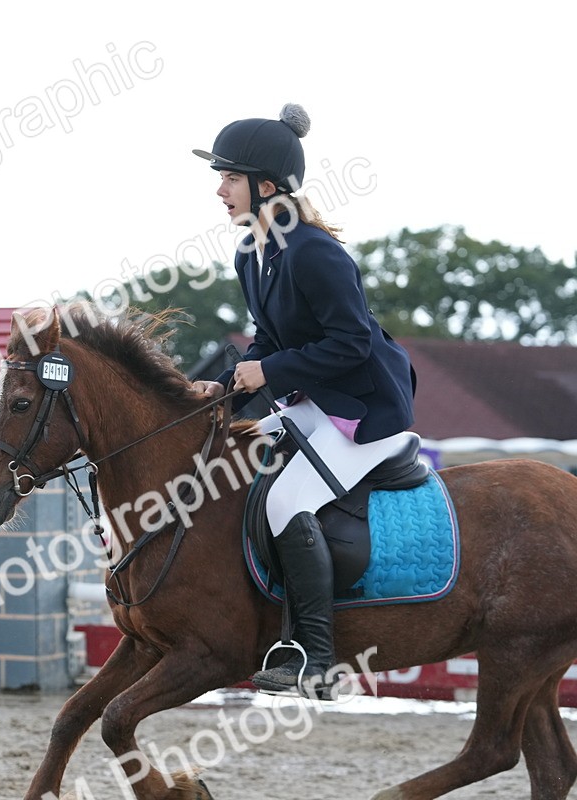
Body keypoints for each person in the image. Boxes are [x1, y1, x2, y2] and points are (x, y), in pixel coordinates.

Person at [189, 104, 417, 697]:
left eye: (229, 179)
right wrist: (226, 387)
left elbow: (352, 342)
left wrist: (268, 368)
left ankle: (315, 658)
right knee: (238, 461)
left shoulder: (314, 251)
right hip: (314, 401)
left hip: (365, 411)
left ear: (266, 187)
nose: (219, 191)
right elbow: (270, 340)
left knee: (288, 500)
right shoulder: (251, 253)